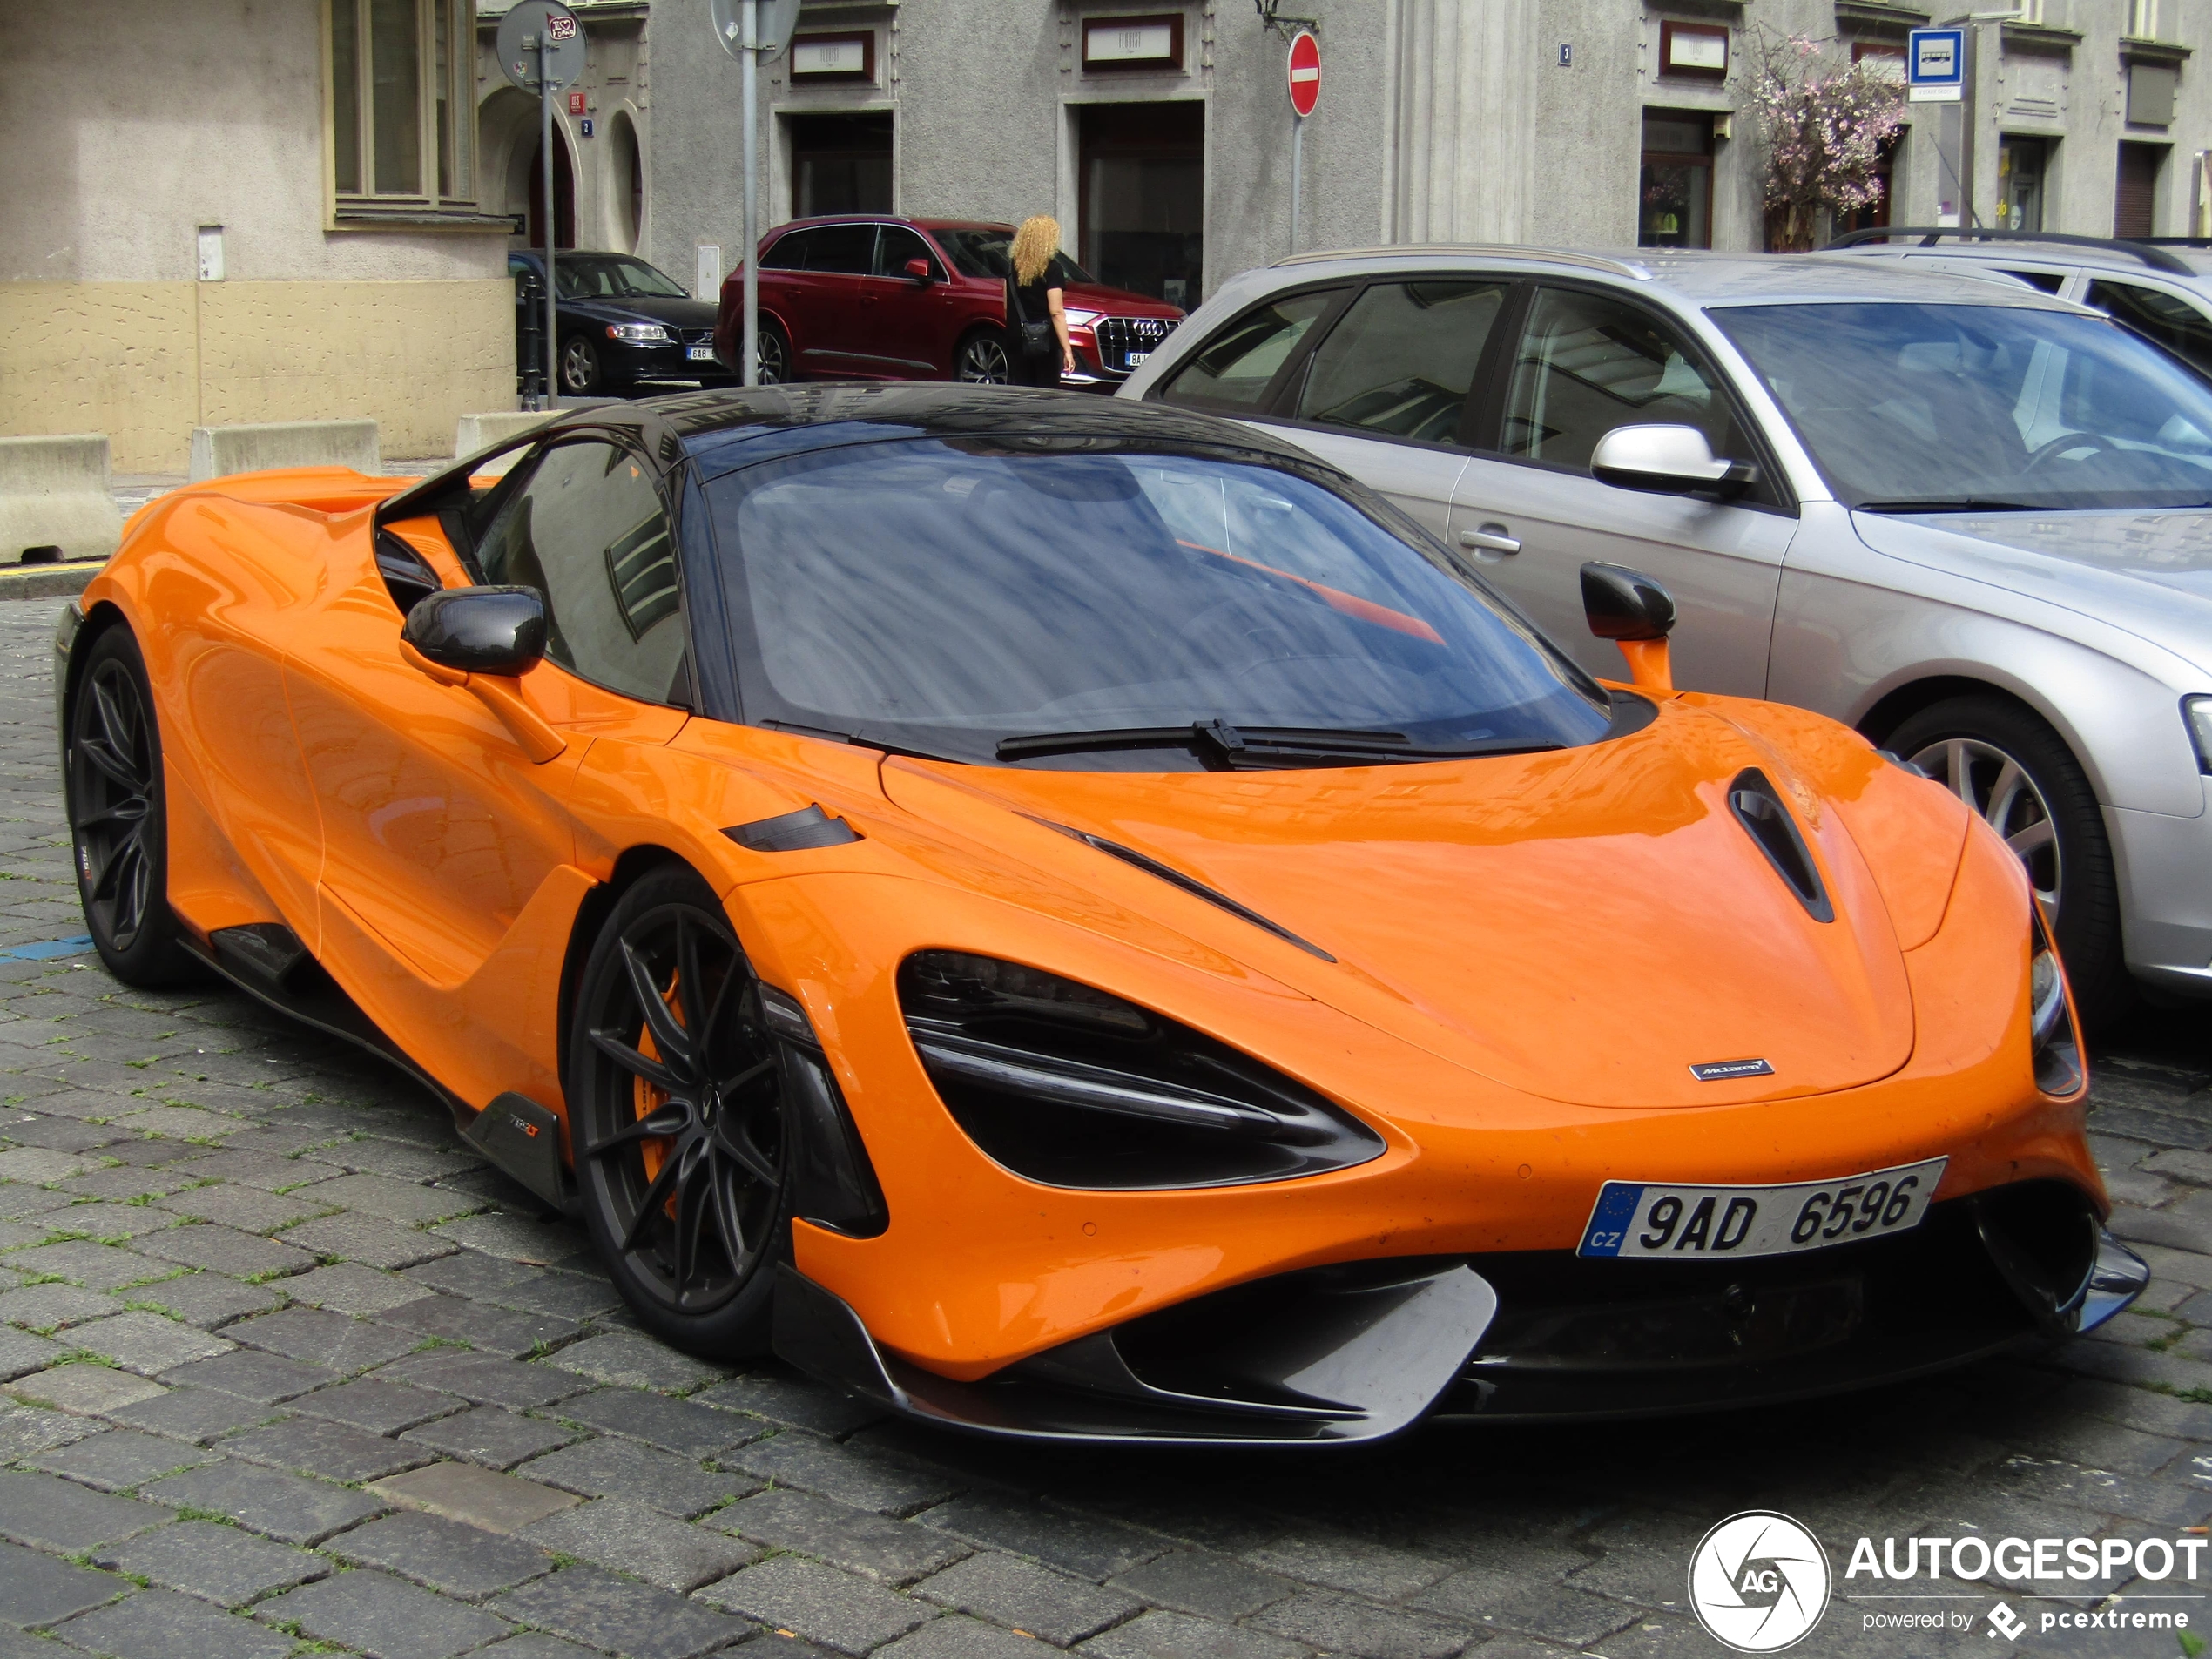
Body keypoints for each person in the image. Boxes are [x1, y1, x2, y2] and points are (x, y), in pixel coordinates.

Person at [1005, 216, 1075, 388]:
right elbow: (1056, 311)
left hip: (1017, 339)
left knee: (1022, 392)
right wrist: (1067, 349)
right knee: (1046, 393)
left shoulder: (1012, 266)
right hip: (1045, 342)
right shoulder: (1052, 269)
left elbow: (1006, 304)